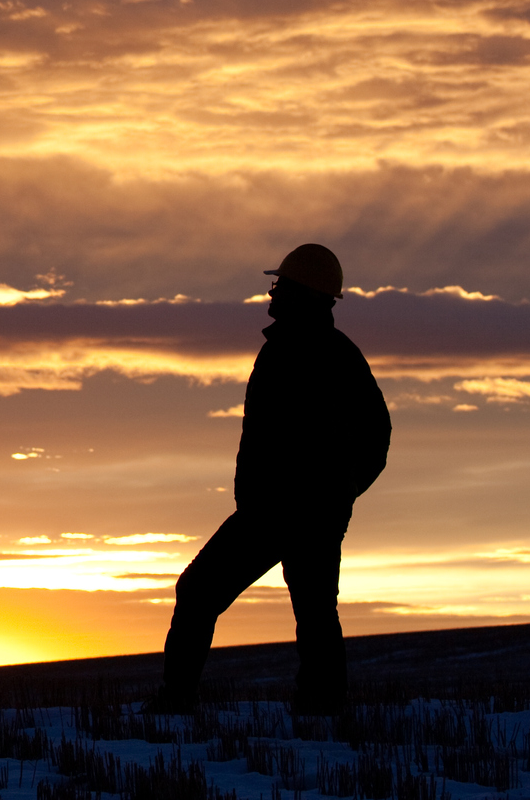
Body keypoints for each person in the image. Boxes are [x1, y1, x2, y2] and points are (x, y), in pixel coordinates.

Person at [150, 243, 389, 716]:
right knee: (316, 613)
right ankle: (324, 708)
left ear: (304, 292)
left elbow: (375, 437)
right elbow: (374, 437)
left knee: (201, 592)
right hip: (293, 510)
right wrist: (340, 493)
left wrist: (337, 491)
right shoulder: (311, 351)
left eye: (281, 284)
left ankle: (177, 704)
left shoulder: (314, 354)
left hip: (280, 512)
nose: (273, 293)